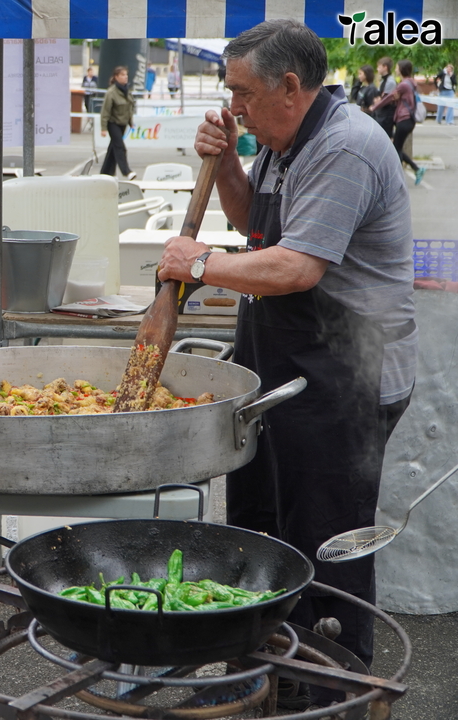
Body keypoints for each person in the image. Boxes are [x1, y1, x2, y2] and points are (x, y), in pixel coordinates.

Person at [157, 20, 415, 708]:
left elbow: (296, 267)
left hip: (348, 374)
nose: (233, 107)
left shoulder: (345, 146)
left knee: (324, 541)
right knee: (260, 526)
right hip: (281, 362)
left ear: (290, 87)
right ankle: (259, 680)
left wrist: (200, 264)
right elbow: (257, 227)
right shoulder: (281, 141)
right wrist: (229, 168)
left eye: (242, 93)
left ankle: (328, 692)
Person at [371, 59, 425, 185]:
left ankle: (398, 180)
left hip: (404, 119)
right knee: (396, 147)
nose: (395, 69)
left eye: (397, 67)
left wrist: (374, 107)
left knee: (396, 149)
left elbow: (389, 98)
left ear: (401, 69)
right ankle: (415, 169)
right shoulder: (410, 83)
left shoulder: (403, 85)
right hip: (407, 120)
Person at [98, 66, 135, 180]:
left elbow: (129, 108)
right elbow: (105, 111)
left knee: (112, 149)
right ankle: (126, 171)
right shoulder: (111, 92)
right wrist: (103, 128)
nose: (125, 77)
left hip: (123, 123)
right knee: (120, 147)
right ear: (116, 77)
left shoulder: (127, 91)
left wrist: (131, 122)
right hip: (113, 123)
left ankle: (105, 173)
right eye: (122, 75)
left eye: (126, 74)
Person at [373, 56, 397, 137]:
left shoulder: (390, 81)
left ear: (385, 67)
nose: (377, 69)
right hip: (381, 113)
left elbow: (385, 99)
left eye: (379, 67)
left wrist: (378, 102)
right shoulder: (383, 80)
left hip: (386, 114)